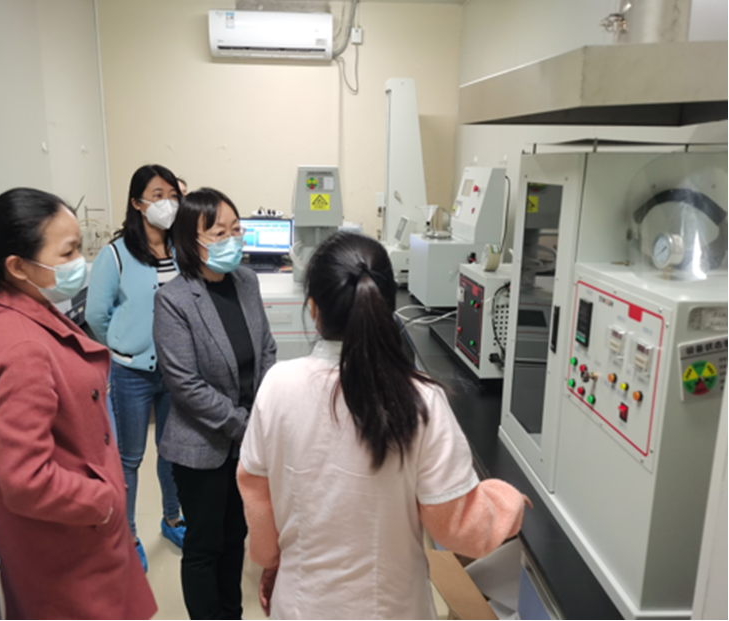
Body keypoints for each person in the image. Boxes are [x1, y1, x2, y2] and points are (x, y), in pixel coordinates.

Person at [237, 231, 529, 619]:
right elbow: (459, 528)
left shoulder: (277, 386)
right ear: (386, 306)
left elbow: (257, 496)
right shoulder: (422, 399)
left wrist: (271, 561)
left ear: (313, 309)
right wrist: (508, 503)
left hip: (302, 604)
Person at [0, 188, 156, 619]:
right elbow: (25, 478)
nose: (81, 262)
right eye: (69, 251)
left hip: (70, 541)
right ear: (18, 266)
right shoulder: (20, 346)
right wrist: (104, 502)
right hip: (68, 553)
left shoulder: (23, 309)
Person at [153, 188, 277, 620]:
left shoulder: (246, 281)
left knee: (235, 536)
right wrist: (246, 425)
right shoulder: (173, 300)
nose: (232, 240)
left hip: (247, 444)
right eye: (219, 232)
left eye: (236, 229)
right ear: (192, 241)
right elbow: (185, 385)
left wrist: (262, 414)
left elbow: (266, 349)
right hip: (201, 446)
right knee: (205, 546)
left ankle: (231, 613)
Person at [85, 164, 185, 570]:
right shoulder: (115, 254)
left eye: (173, 195)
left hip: (177, 371)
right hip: (131, 373)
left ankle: (173, 519)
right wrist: (127, 343)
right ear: (138, 203)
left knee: (171, 452)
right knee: (130, 458)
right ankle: (129, 537)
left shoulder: (182, 249)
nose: (168, 203)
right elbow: (97, 315)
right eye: (158, 195)